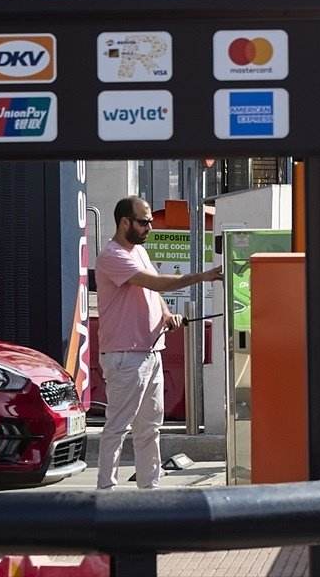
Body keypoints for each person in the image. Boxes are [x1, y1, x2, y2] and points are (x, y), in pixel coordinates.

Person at [96, 196, 222, 491]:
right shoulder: (112, 255)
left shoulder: (138, 251)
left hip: (150, 351)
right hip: (125, 355)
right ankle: (105, 492)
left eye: (150, 221)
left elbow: (152, 292)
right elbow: (156, 283)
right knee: (118, 426)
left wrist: (166, 314)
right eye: (144, 221)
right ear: (124, 222)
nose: (149, 227)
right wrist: (202, 277)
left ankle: (149, 489)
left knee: (149, 428)